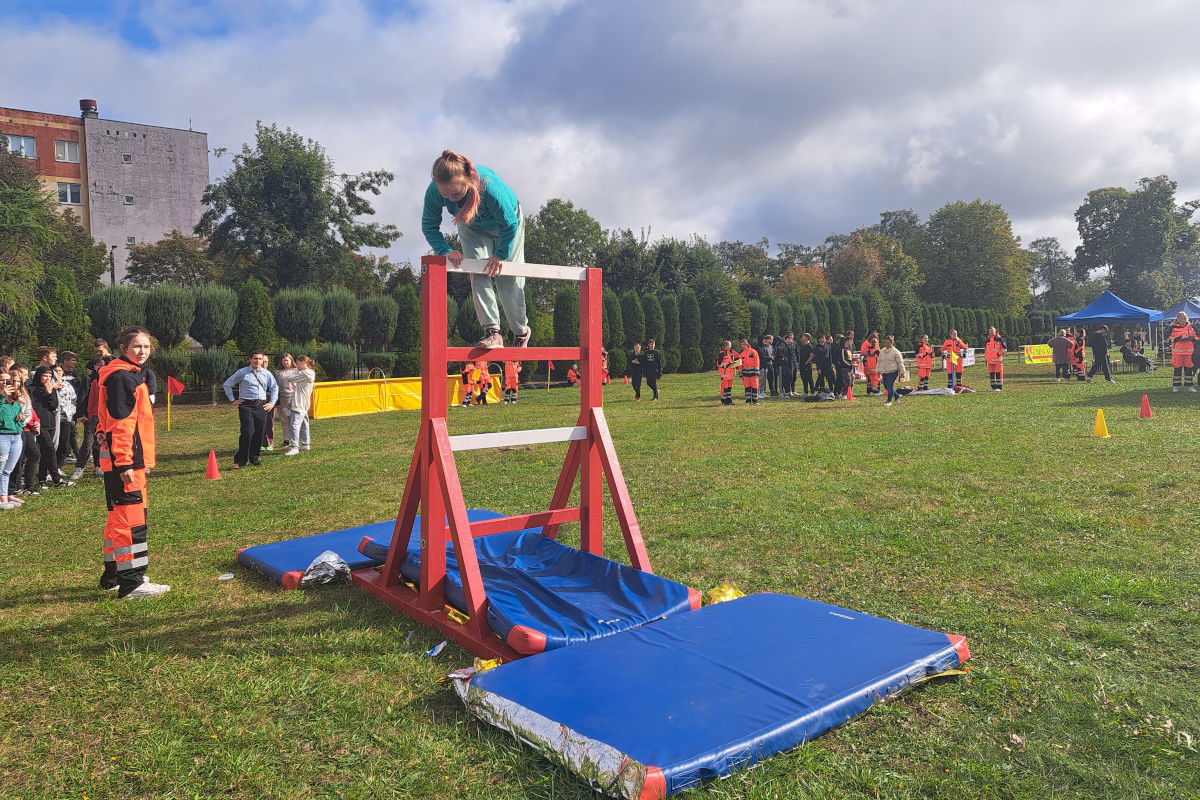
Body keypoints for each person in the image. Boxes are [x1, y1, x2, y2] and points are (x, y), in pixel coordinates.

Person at [422, 150, 531, 350]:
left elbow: (509, 224)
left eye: (456, 193)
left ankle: (521, 331)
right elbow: (429, 226)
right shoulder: (434, 192)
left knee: (507, 278)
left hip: (507, 224)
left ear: (469, 181)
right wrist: (444, 250)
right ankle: (492, 332)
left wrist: (500, 255)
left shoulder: (488, 186)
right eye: (445, 195)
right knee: (477, 271)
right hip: (471, 224)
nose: (451, 199)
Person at [95, 325, 169, 598]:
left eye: (146, 346)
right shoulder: (123, 378)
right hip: (126, 462)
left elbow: (103, 418)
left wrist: (102, 435)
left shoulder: (123, 375)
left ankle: (114, 575)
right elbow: (122, 424)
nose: (142, 351)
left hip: (118, 459)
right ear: (123, 348)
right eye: (137, 346)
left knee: (117, 518)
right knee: (131, 521)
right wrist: (124, 463)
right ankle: (132, 582)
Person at [222, 351, 278, 469]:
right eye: (255, 358)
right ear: (250, 359)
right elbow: (227, 384)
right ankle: (240, 460)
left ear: (263, 361)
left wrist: (272, 402)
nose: (257, 361)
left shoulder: (266, 373)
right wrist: (232, 399)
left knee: (259, 432)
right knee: (247, 432)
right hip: (246, 406)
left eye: (260, 359)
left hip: (261, 406)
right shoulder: (242, 372)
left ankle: (254, 458)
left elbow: (274, 387)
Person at [31, 368, 73, 488]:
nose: (47, 378)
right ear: (39, 376)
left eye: (49, 376)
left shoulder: (51, 389)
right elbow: (34, 405)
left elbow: (53, 405)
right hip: (39, 423)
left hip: (50, 422)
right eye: (45, 375)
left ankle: (42, 479)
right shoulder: (32, 389)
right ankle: (56, 479)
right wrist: (44, 392)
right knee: (49, 449)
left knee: (46, 452)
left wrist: (49, 393)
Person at [9, 365, 40, 497]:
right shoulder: (10, 392)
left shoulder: (23, 390)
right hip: (17, 428)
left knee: (34, 454)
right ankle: (13, 488)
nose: (27, 377)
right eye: (25, 374)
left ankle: (28, 485)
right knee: (18, 459)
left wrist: (35, 421)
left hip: (26, 426)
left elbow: (29, 408)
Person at [0, 369, 27, 510]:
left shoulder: (14, 397)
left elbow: (18, 414)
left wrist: (19, 420)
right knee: (0, 469)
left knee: (7, 470)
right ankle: (2, 499)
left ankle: (4, 497)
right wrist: (1, 396)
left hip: (16, 437)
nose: (5, 382)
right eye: (1, 380)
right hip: (2, 437)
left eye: (7, 380)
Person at [284, 356, 315, 456]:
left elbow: (290, 379)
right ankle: (305, 444)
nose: (296, 365)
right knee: (304, 423)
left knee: (294, 424)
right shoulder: (308, 373)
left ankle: (294, 447)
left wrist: (296, 370)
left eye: (298, 363)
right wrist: (290, 400)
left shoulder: (305, 373)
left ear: (303, 362)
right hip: (302, 402)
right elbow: (297, 388)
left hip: (300, 403)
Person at [274, 353, 299, 451]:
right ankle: (286, 440)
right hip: (283, 399)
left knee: (295, 420)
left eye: (287, 360)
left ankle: (296, 440)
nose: (285, 362)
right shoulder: (278, 373)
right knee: (284, 420)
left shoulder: (296, 371)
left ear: (291, 360)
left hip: (294, 398)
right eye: (283, 360)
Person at [1167, 311, 1197, 392]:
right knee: (1177, 369)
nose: (1183, 319)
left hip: (1189, 352)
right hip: (1178, 352)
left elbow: (1197, 337)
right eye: (1181, 318)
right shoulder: (1172, 327)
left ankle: (1190, 386)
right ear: (1178, 318)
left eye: (1184, 318)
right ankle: (1175, 387)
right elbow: (1168, 339)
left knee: (1189, 369)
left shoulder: (1191, 326)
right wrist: (1180, 337)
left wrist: (1191, 337)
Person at [877, 335, 909, 407]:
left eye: (888, 342)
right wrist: (877, 370)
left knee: (890, 385)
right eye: (886, 342)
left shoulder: (896, 352)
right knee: (886, 386)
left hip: (893, 371)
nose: (887, 344)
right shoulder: (882, 351)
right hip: (884, 372)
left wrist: (902, 372)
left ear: (892, 343)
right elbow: (879, 361)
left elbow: (900, 363)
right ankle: (897, 396)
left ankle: (889, 401)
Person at [737, 338, 760, 404]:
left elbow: (757, 361)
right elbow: (740, 365)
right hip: (745, 374)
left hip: (753, 373)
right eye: (741, 345)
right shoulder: (741, 354)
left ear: (746, 344)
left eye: (742, 344)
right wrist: (740, 372)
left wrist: (757, 371)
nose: (741, 346)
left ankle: (755, 401)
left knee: (755, 386)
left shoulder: (753, 352)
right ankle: (748, 401)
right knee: (747, 387)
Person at [716, 341, 738, 405]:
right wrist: (728, 364)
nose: (730, 346)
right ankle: (724, 401)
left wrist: (733, 363)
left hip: (730, 374)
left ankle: (729, 401)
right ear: (725, 346)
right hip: (725, 374)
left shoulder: (729, 353)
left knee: (729, 389)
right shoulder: (722, 354)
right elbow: (719, 364)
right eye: (729, 345)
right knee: (724, 388)